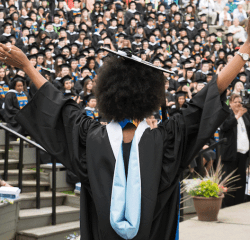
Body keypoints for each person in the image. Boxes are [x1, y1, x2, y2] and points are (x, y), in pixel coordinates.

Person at [1, 18, 250, 238]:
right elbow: (205, 97)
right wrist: (245, 50)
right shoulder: (166, 141)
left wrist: (27, 65)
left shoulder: (90, 138)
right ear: (149, 99)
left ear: (107, 94)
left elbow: (58, 105)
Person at [220, 93, 250, 207]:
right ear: (230, 103)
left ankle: (239, 205)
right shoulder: (226, 114)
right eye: (235, 102)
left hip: (243, 154)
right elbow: (224, 127)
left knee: (241, 182)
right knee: (230, 182)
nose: (238, 104)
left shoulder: (246, 115)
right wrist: (237, 116)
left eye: (240, 102)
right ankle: (227, 206)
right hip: (230, 154)